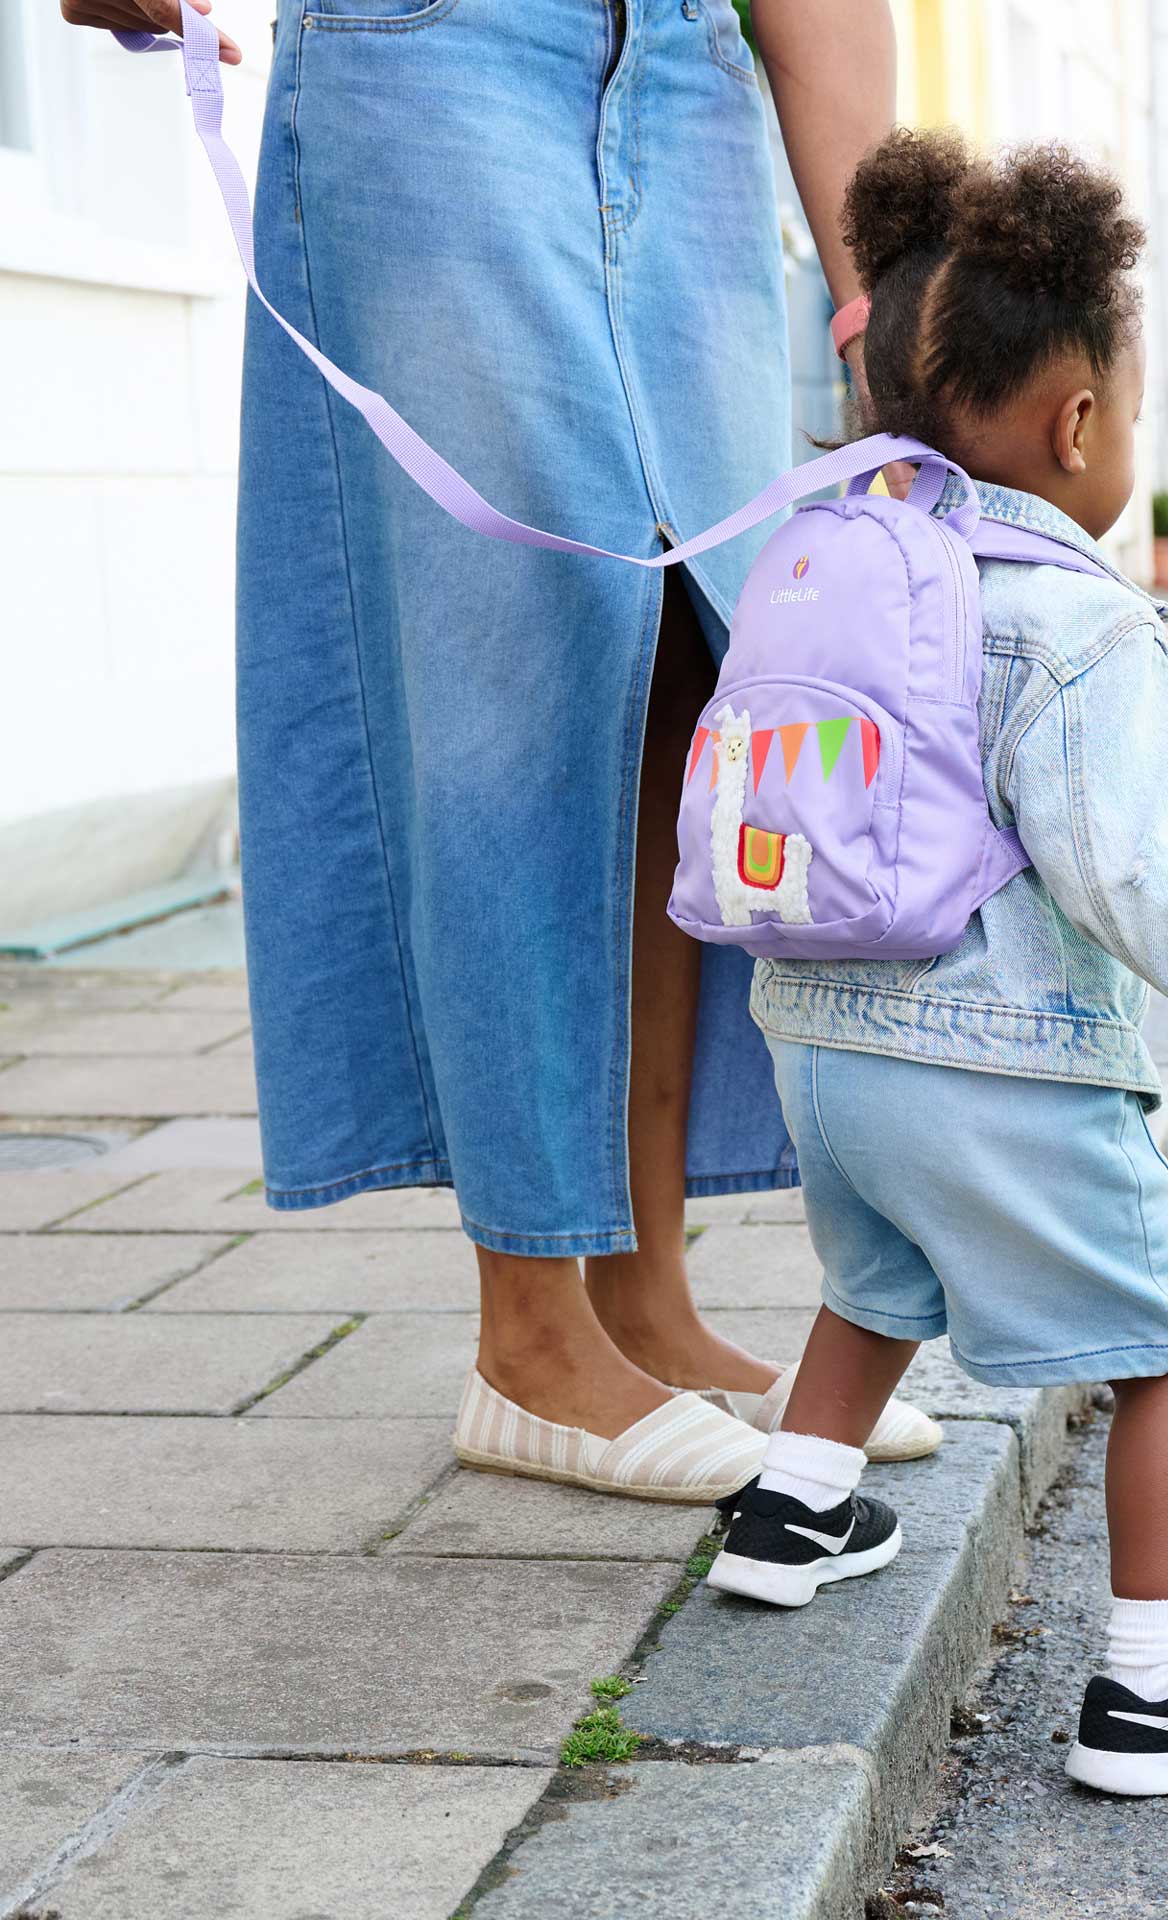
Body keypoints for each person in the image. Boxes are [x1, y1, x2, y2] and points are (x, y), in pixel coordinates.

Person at [59, 0, 936, 1497]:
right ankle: (529, 1336)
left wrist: (885, 306)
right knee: (516, 662)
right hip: (436, 44)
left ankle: (644, 1304)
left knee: (691, 650)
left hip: (689, 73)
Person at [703, 131, 1168, 1797]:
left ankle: (792, 1507)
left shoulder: (822, 555)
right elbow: (1118, 868)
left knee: (875, 1282)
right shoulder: (1077, 620)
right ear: (1080, 424)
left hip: (816, 1036)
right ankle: (1156, 1696)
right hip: (993, 1059)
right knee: (1167, 1340)